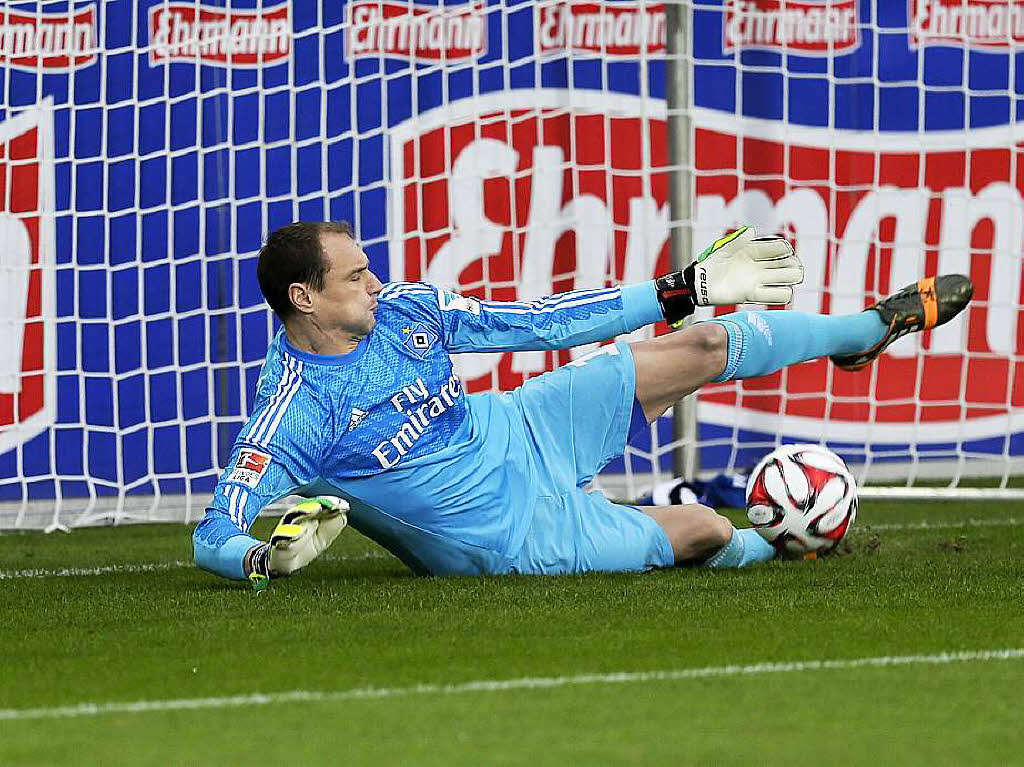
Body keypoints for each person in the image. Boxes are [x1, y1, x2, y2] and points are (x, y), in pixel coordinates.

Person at [192, 221, 972, 583]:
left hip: (524, 426)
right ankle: (794, 542)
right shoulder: (291, 411)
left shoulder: (405, 309)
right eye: (354, 276)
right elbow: (214, 531)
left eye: (368, 267)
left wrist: (680, 289)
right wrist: (262, 556)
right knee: (704, 528)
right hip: (510, 535)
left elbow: (539, 322)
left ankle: (864, 329)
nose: (375, 281)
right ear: (304, 297)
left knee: (699, 343)